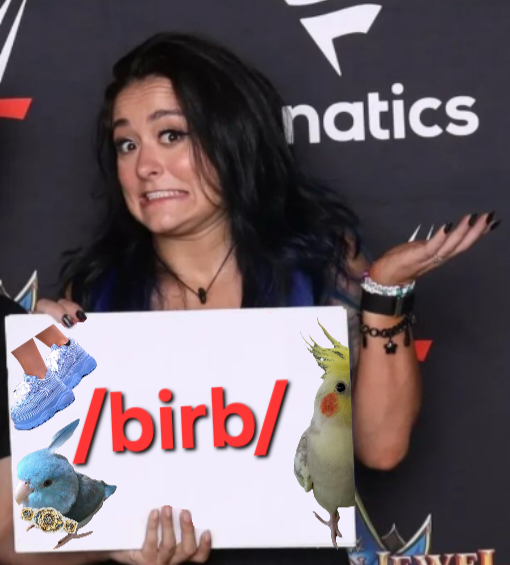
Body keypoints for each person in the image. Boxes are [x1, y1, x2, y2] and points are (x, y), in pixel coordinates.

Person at [1, 32, 499, 565]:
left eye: (171, 135)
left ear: (231, 139)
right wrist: (113, 544)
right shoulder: (92, 299)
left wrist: (385, 291)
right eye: (127, 144)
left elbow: (382, 446)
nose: (145, 166)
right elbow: (28, 526)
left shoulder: (320, 269)